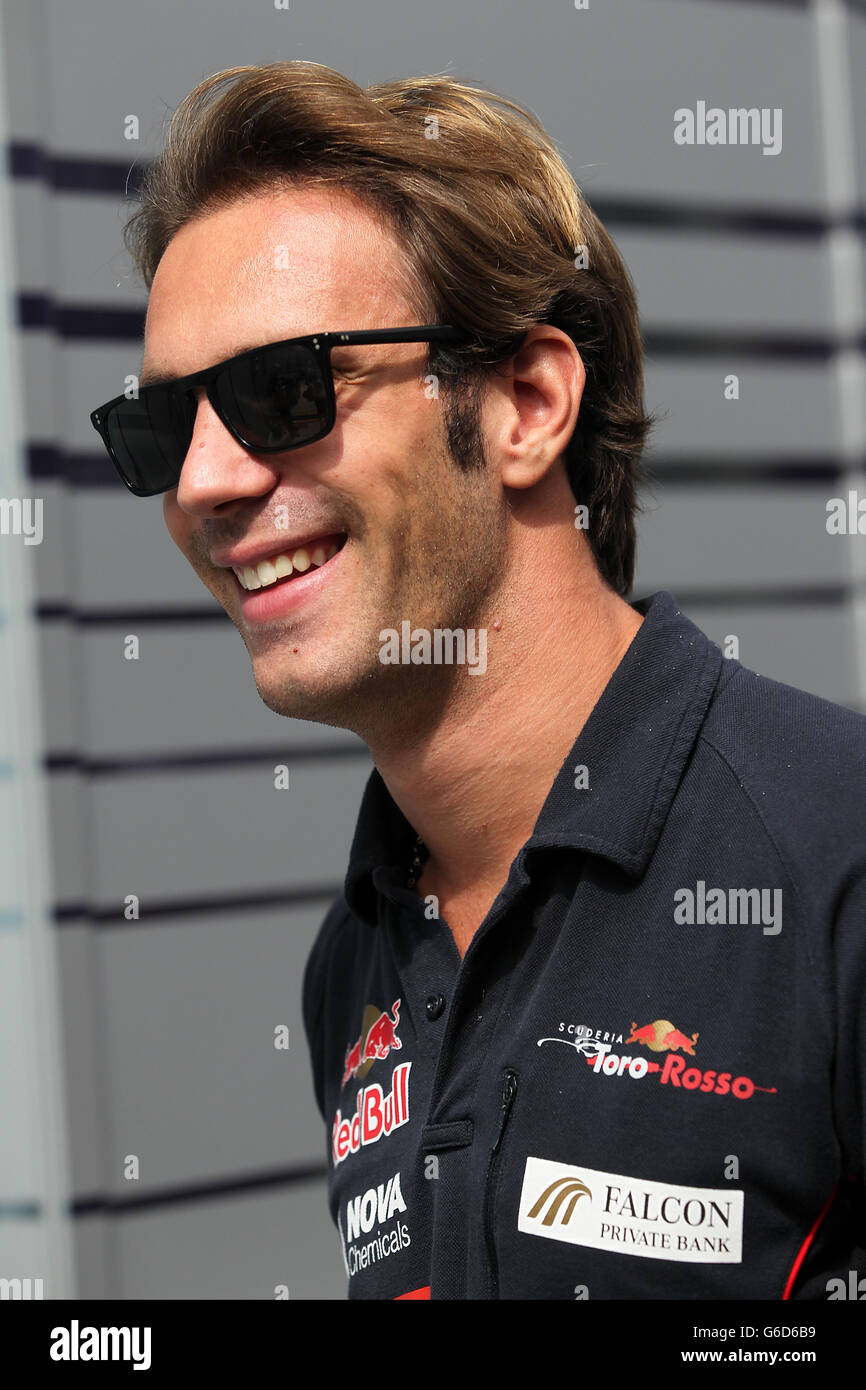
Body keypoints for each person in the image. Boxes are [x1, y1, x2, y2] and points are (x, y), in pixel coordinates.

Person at [90, 60, 866, 1300]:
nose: (203, 484)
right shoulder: (357, 955)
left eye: (282, 391)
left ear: (525, 401)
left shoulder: (832, 859)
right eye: (164, 426)